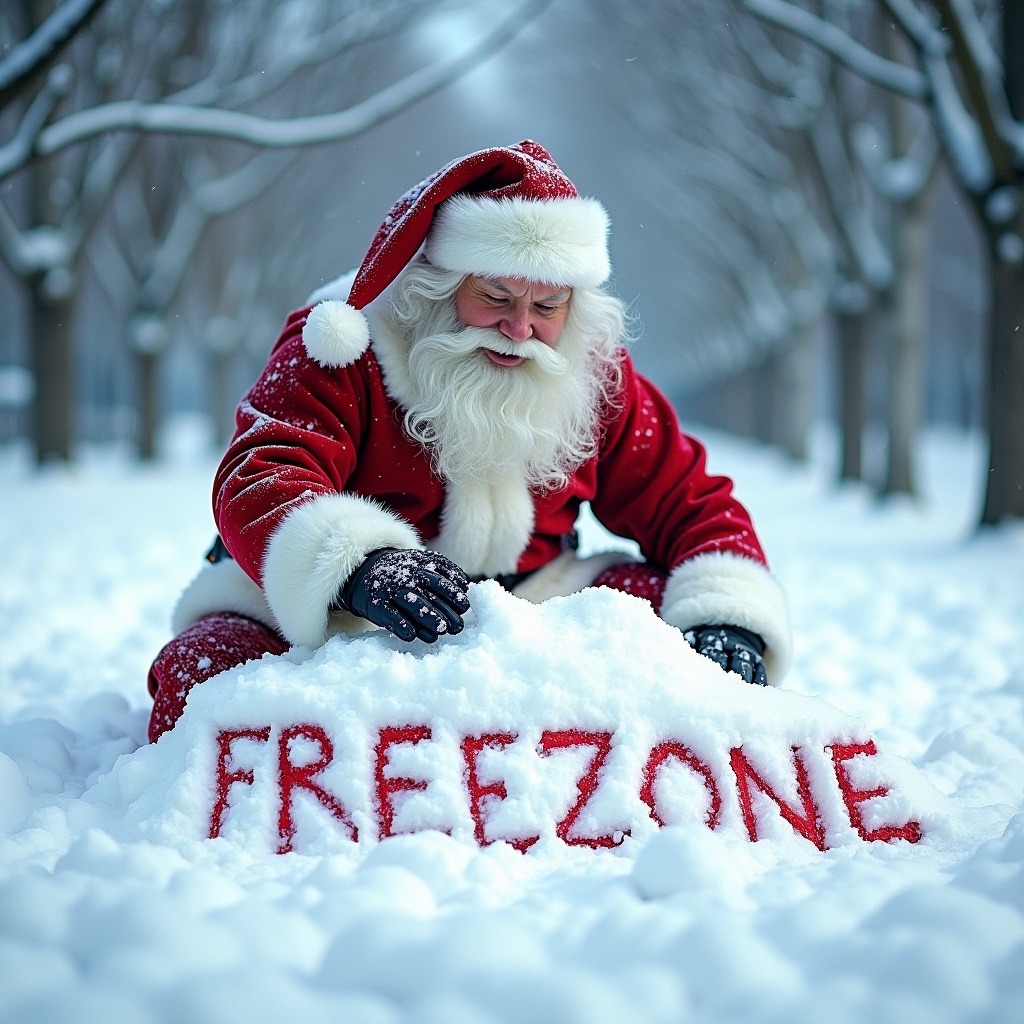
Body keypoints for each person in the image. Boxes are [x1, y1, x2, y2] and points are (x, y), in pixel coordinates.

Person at [147, 140, 790, 742]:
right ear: (440, 283)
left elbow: (690, 499)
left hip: (538, 597)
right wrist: (357, 564)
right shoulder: (343, 344)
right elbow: (263, 473)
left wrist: (727, 612)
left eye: (547, 306)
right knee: (203, 672)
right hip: (345, 603)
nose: (519, 328)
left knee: (684, 639)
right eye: (495, 296)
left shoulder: (595, 372)